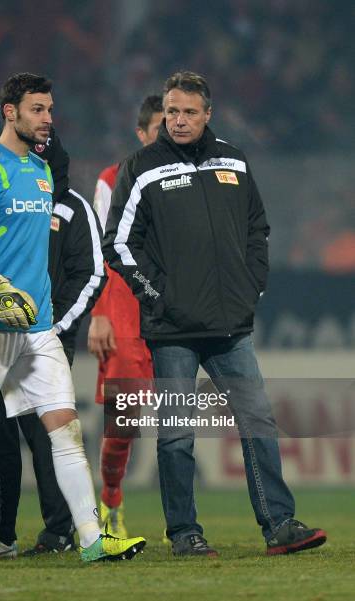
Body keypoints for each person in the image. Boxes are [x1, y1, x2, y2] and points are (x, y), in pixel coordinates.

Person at [103, 70, 327, 557]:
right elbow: (118, 243)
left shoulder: (234, 159)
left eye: (188, 112)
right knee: (178, 436)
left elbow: (257, 229)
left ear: (208, 114)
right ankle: (184, 533)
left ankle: (280, 525)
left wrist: (253, 287)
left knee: (258, 424)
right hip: (174, 330)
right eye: (172, 111)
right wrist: (158, 297)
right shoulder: (140, 166)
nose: (178, 121)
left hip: (232, 327)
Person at [0, 72, 145, 563]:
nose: (48, 119)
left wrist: (38, 309)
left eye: (50, 109)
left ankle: (92, 539)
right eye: (38, 109)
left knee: (65, 428)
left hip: (37, 329)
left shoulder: (42, 171)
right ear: (10, 111)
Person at [89, 95, 163, 538]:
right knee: (125, 422)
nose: (168, 132)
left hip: (174, 312)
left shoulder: (186, 177)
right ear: (141, 133)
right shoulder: (112, 179)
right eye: (159, 125)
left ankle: (183, 523)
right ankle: (111, 499)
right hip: (124, 311)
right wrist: (99, 314)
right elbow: (101, 251)